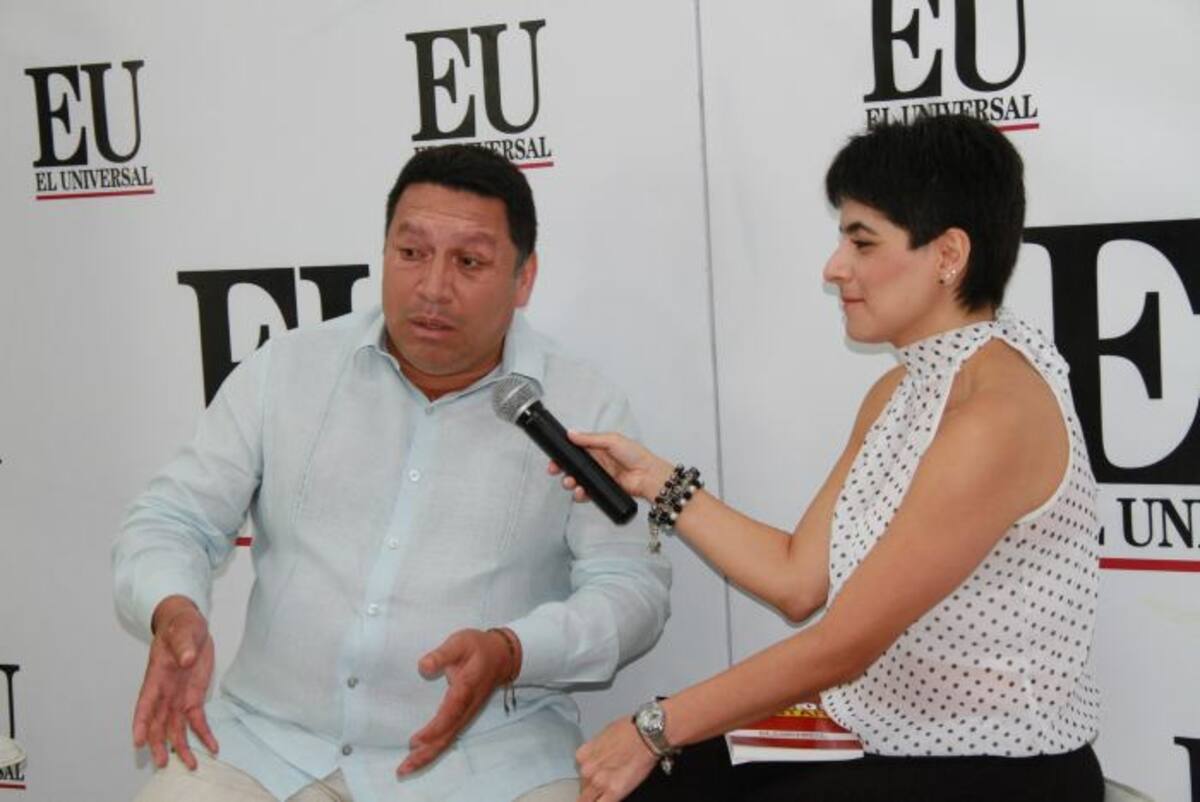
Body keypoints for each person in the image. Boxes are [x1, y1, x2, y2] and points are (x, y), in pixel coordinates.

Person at [554, 115, 1104, 802]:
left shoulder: (998, 413)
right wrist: (653, 480)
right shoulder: (902, 389)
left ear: (948, 254)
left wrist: (654, 725)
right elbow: (797, 580)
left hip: (994, 768)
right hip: (874, 731)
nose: (834, 267)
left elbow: (844, 645)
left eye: (861, 241)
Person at [113, 144, 671, 802]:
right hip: (267, 745)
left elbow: (630, 589)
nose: (433, 287)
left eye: (469, 261)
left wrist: (514, 651)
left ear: (524, 279)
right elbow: (173, 519)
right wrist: (172, 608)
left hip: (489, 761)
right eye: (411, 253)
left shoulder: (583, 408)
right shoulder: (286, 371)